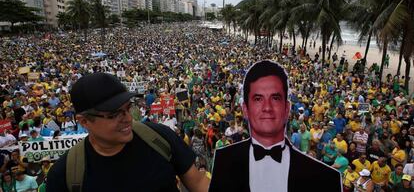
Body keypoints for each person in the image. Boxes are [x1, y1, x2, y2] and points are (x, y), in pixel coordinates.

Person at [46, 73, 209, 192]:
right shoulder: (66, 175)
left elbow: (198, 182)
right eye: (113, 114)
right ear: (84, 121)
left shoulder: (160, 138)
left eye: (127, 109)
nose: (128, 118)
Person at [210, 60, 342, 192]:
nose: (267, 107)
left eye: (275, 98)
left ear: (287, 108)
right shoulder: (223, 161)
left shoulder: (326, 179)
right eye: (258, 99)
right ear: (245, 109)